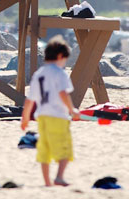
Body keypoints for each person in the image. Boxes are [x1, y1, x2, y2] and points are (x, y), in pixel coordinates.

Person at [21, 36, 80, 187]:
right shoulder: (60, 74)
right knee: (65, 149)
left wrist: (25, 118)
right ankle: (59, 177)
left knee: (44, 150)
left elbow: (30, 100)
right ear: (60, 56)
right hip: (58, 116)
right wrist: (72, 110)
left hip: (42, 117)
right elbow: (63, 93)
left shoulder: (38, 74)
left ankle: (47, 182)